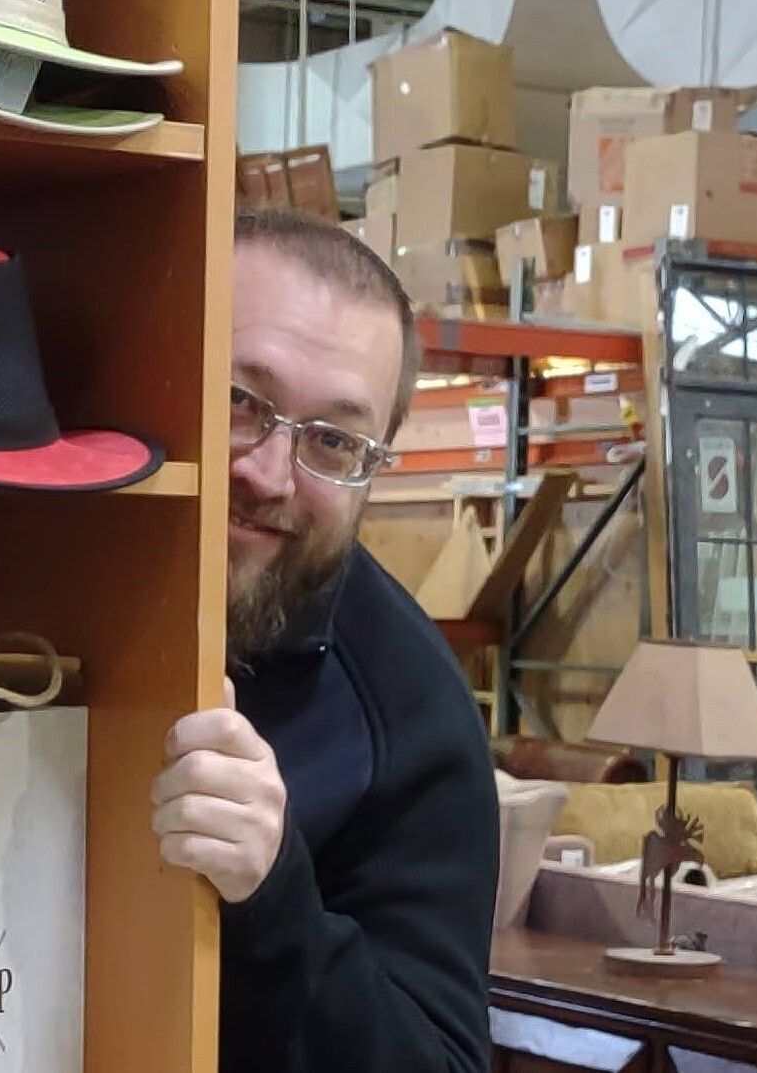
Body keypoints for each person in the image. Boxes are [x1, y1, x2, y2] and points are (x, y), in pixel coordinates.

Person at [149, 208, 499, 1072]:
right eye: (239, 401)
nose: (267, 474)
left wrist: (271, 896)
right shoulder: (9, 553)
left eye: (333, 440)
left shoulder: (413, 715)